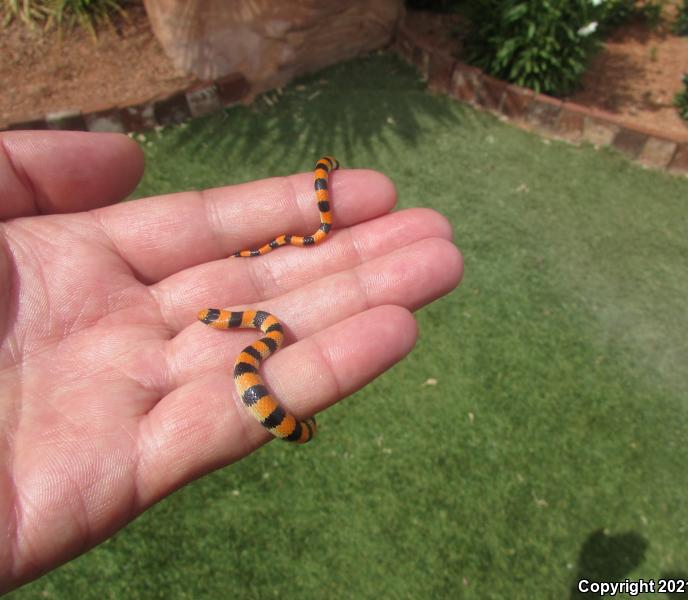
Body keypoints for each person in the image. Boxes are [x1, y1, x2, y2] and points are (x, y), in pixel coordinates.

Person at [0, 131, 463, 593]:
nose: (209, 321)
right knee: (280, 363)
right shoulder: (260, 336)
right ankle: (322, 190)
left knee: (278, 341)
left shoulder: (261, 337)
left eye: (214, 319)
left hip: (270, 362)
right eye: (213, 319)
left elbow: (269, 341)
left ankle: (324, 182)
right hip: (273, 378)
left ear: (228, 323)